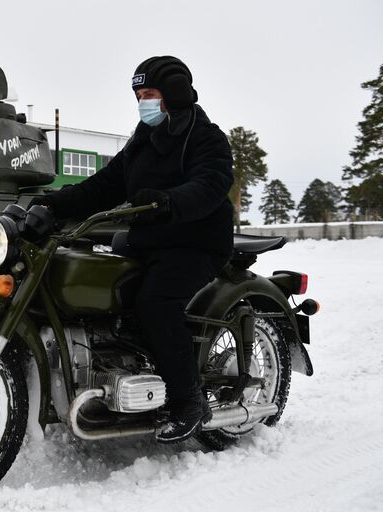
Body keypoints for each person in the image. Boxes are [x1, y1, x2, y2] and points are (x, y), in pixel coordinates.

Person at [32, 56, 234, 443]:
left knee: (155, 303)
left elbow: (211, 184)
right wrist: (53, 204)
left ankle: (189, 402)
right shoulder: (143, 139)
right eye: (139, 95)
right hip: (149, 241)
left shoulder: (206, 137)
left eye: (150, 93)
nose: (144, 102)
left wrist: (169, 201)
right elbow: (103, 185)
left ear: (174, 94)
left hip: (195, 243)